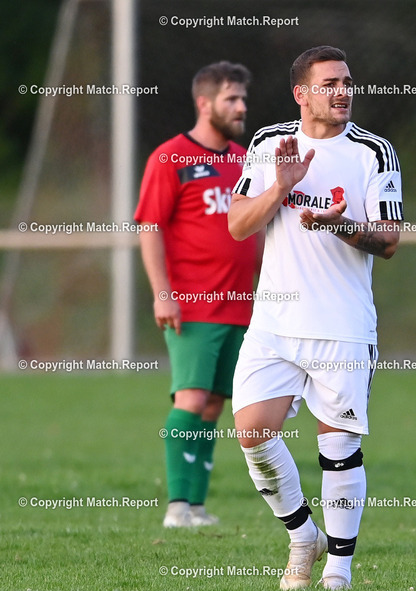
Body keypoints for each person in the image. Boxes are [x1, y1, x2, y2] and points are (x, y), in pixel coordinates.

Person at [228, 45, 403, 591]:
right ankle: (304, 535)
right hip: (274, 324)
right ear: (301, 94)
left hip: (342, 326)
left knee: (339, 449)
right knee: (252, 433)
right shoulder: (268, 144)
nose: (343, 92)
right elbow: (238, 224)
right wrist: (280, 187)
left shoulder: (373, 152)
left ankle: (338, 573)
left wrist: (336, 224)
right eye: (330, 84)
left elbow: (388, 240)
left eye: (347, 82)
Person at [135, 61, 257, 528]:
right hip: (193, 304)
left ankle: (197, 507)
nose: (241, 106)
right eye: (231, 98)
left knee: (213, 405)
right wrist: (161, 293)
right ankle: (176, 507)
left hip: (240, 307)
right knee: (190, 398)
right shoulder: (170, 157)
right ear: (204, 103)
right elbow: (150, 226)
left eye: (243, 98)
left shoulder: (245, 160)